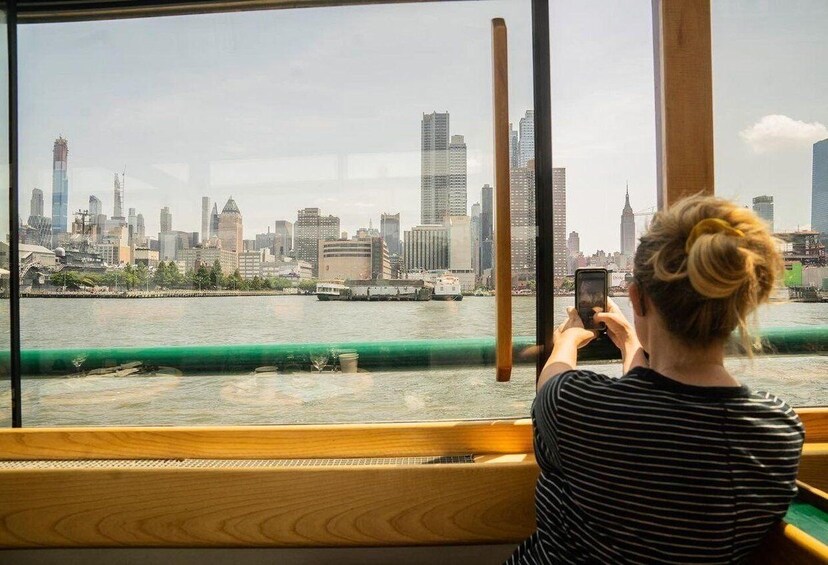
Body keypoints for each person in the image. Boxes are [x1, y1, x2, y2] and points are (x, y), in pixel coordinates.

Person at [507, 195, 804, 564]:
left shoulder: (581, 407)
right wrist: (631, 342)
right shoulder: (779, 427)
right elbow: (664, 405)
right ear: (744, 303)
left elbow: (552, 382)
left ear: (637, 299)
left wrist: (567, 340)